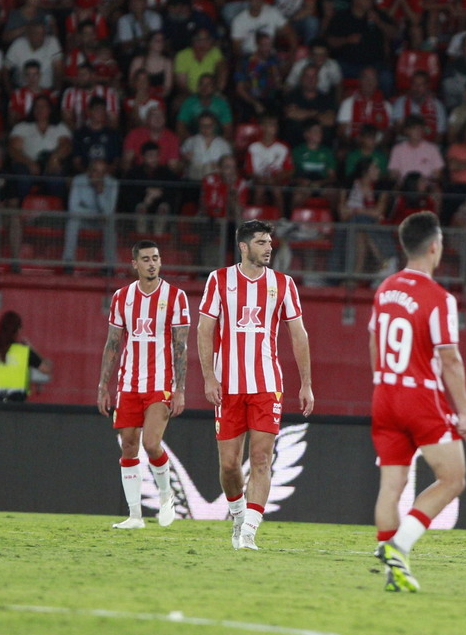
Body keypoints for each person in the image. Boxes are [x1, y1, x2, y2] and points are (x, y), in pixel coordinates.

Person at [367, 212, 466, 592]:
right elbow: (450, 359)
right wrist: (463, 413)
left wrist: (380, 379)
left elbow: (372, 340)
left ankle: (391, 571)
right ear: (435, 247)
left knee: (391, 485)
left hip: (384, 392)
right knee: (453, 478)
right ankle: (399, 547)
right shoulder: (438, 297)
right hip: (419, 395)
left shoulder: (385, 288)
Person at [197, 220, 316, 551]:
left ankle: (249, 530)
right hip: (228, 385)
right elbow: (204, 330)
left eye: (270, 242)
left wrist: (306, 383)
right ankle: (237, 513)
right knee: (229, 464)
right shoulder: (219, 280)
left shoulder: (284, 284)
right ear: (244, 247)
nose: (269, 248)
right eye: (262, 242)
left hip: (266, 385)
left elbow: (298, 335)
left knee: (262, 458)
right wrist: (209, 376)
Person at [98, 241, 190, 529]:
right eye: (146, 259)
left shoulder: (176, 297)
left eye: (156, 258)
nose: (152, 263)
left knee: (150, 443)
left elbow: (181, 346)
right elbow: (113, 342)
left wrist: (180, 389)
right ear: (134, 264)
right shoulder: (122, 298)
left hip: (161, 383)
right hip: (128, 383)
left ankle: (166, 496)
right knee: (128, 446)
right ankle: (135, 516)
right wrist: (103, 385)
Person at [0, 310, 51, 401]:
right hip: (15, 405)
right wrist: (31, 348)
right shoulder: (25, 352)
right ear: (18, 330)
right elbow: (47, 369)